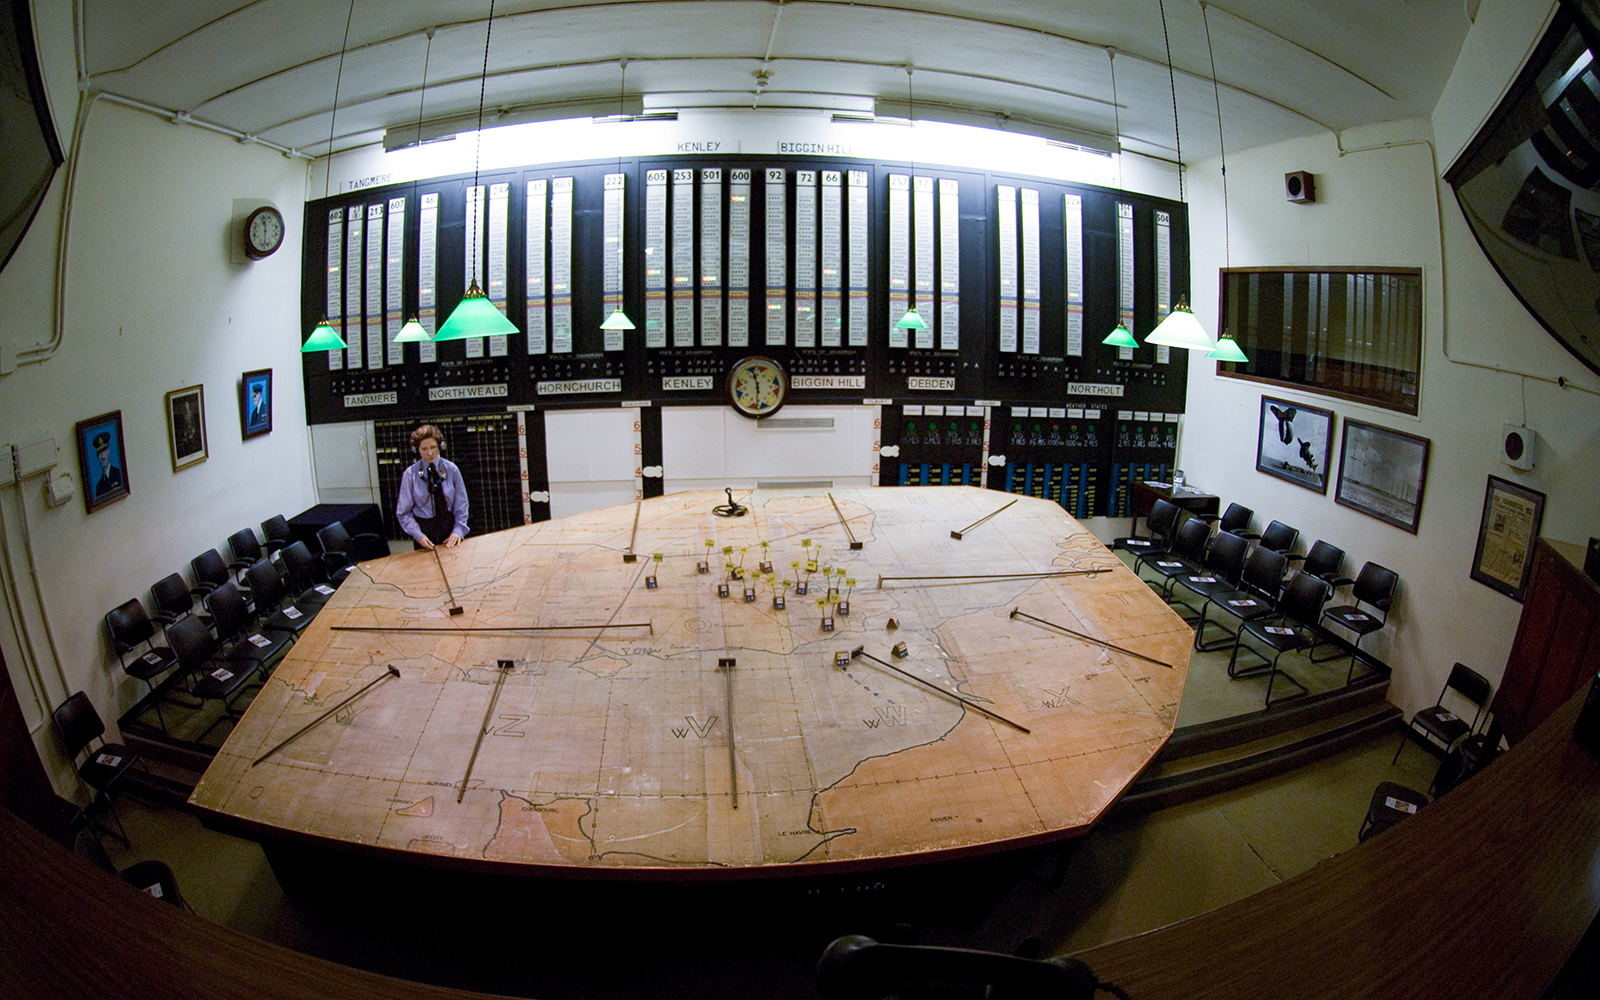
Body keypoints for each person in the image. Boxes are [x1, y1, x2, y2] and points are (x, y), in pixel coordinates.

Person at [396, 424, 469, 549]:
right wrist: (418, 535)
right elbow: (403, 513)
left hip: (450, 530)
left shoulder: (452, 470)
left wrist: (458, 530)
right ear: (416, 450)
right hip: (424, 534)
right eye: (424, 449)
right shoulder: (410, 474)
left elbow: (461, 505)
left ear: (440, 447)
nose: (429, 453)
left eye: (433, 447)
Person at [92, 431, 123, 498]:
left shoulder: (119, 473)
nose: (102, 457)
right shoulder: (99, 486)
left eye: (103, 451)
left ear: (108, 451)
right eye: (99, 453)